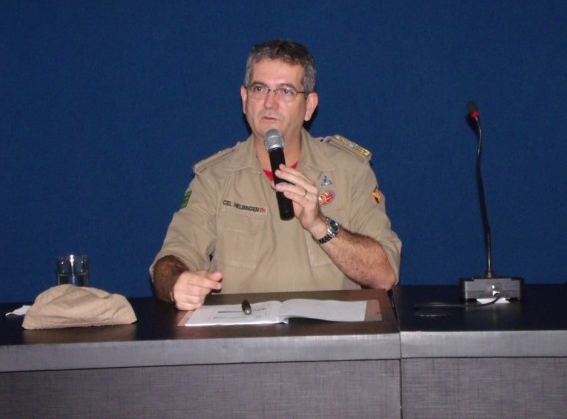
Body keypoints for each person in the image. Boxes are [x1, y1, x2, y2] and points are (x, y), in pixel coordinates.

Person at [151, 39, 401, 310]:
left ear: (309, 105)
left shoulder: (349, 171)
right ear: (245, 99)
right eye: (259, 89)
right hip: (243, 334)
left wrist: (320, 224)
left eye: (286, 91)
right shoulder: (215, 178)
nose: (270, 103)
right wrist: (177, 283)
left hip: (329, 334)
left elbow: (384, 275)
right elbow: (169, 263)